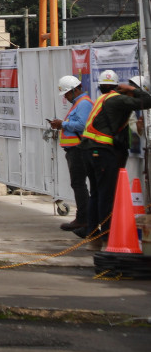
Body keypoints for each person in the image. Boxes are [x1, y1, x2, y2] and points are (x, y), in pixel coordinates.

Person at [77, 70, 151, 242]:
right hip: (101, 152)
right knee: (106, 194)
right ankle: (107, 234)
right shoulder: (118, 99)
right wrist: (132, 90)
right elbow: (148, 101)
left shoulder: (104, 98)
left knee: (96, 193)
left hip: (89, 151)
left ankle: (93, 232)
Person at [48, 75, 93, 233]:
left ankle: (84, 218)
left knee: (79, 184)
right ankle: (85, 218)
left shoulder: (83, 103)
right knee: (78, 184)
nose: (65, 97)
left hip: (79, 150)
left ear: (75, 90)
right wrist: (61, 125)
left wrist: (63, 124)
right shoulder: (78, 104)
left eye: (67, 94)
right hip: (75, 150)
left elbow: (82, 125)